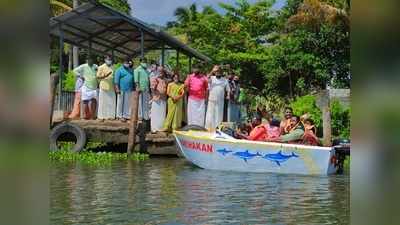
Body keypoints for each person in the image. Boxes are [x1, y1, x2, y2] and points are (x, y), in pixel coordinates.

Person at [205, 65, 230, 131]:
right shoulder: (212, 78)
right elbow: (207, 77)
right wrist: (212, 71)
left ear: (221, 73)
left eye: (219, 72)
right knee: (210, 115)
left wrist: (228, 95)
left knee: (218, 115)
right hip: (211, 100)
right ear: (215, 72)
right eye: (216, 72)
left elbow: (228, 89)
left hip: (220, 101)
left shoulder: (225, 80)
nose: (217, 73)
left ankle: (217, 129)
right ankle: (208, 128)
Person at [114, 57, 134, 122]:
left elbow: (132, 79)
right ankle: (120, 116)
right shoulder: (119, 70)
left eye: (128, 63)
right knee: (121, 103)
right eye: (126, 63)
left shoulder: (131, 70)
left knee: (127, 103)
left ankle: (126, 116)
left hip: (129, 89)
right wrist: (117, 89)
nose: (127, 64)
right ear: (123, 63)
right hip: (121, 89)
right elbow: (116, 81)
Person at [96, 55, 116, 121]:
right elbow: (98, 77)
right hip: (103, 86)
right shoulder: (101, 67)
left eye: (110, 59)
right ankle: (101, 117)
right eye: (108, 59)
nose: (109, 60)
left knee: (111, 102)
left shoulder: (113, 67)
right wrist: (105, 76)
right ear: (105, 59)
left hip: (111, 87)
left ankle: (110, 116)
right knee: (102, 102)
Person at [150, 67, 168, 132]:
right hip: (157, 99)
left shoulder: (164, 80)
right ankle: (154, 128)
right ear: (157, 71)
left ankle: (160, 128)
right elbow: (152, 88)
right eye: (159, 71)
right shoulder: (155, 79)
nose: (160, 72)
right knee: (155, 114)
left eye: (162, 71)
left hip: (163, 99)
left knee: (162, 114)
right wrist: (154, 96)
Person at [134, 58, 151, 122]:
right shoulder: (137, 70)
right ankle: (140, 116)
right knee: (140, 103)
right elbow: (136, 80)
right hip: (140, 89)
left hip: (146, 88)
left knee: (146, 103)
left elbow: (148, 79)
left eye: (145, 62)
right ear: (140, 62)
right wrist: (137, 88)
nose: (144, 63)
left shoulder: (146, 70)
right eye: (143, 61)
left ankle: (146, 116)